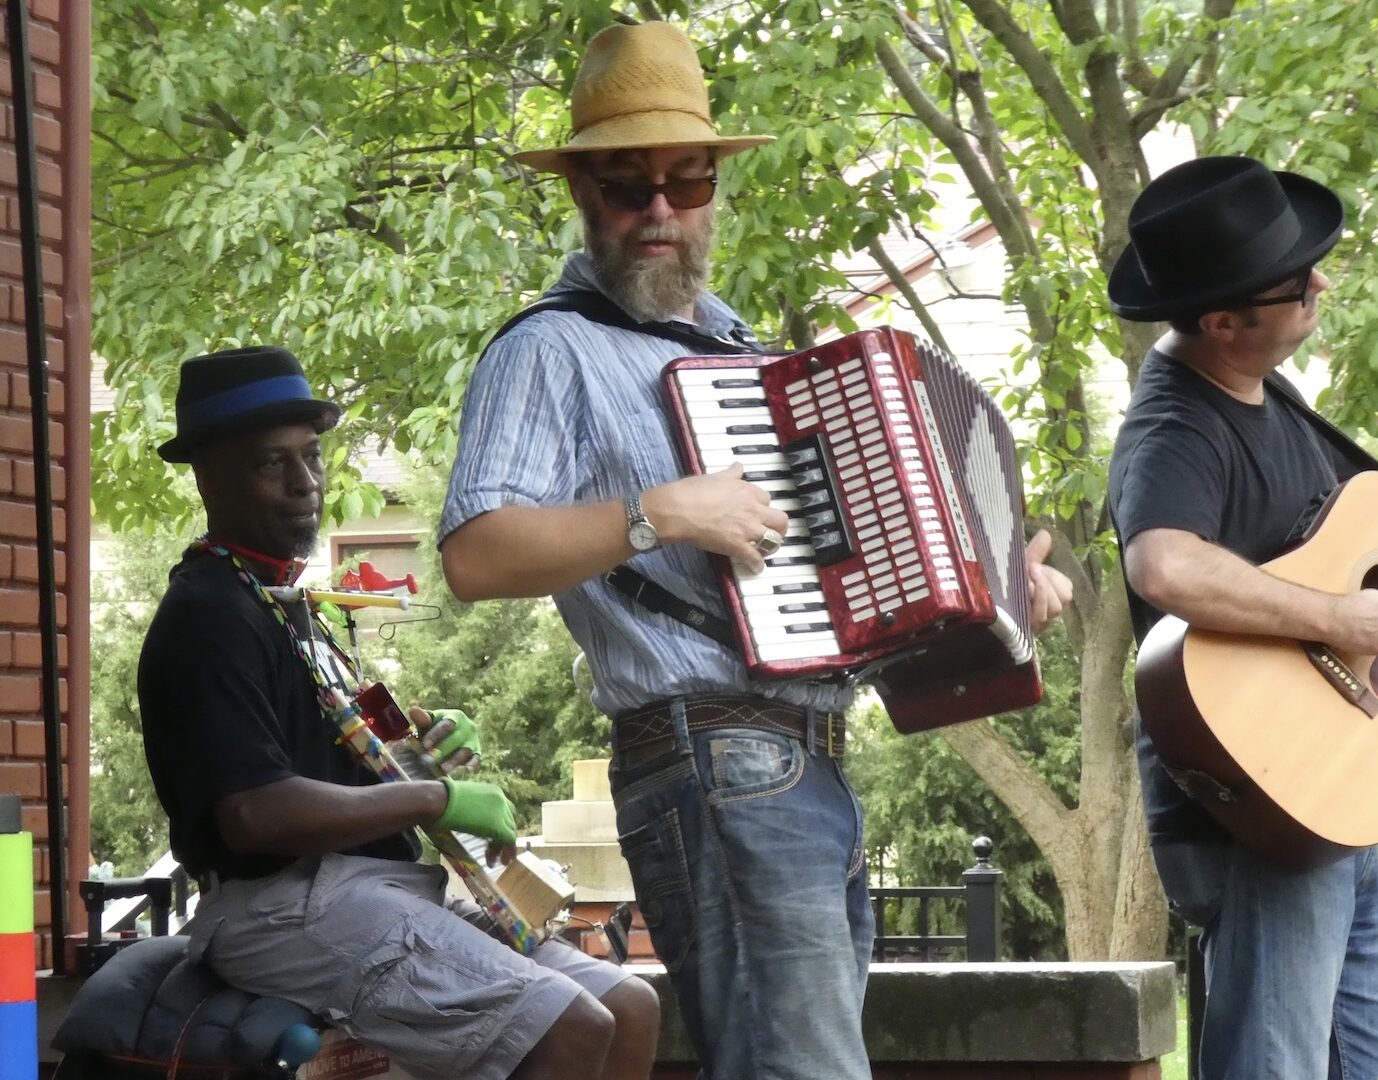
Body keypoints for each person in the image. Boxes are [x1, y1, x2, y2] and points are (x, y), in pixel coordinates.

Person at [438, 21, 1073, 1079]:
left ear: (711, 199)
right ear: (579, 194)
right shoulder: (548, 347)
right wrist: (658, 514)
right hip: (712, 755)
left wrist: (1001, 594)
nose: (657, 209)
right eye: (625, 184)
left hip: (807, 757)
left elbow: (860, 584)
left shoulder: (744, 356)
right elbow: (475, 555)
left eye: (683, 185)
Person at [1106, 155, 1378, 1080]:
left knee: (1372, 1062)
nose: (1322, 285)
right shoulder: (1175, 423)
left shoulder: (1271, 396)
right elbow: (1164, 562)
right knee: (1277, 1063)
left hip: (1329, 789)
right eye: (1298, 285)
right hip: (1255, 794)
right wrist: (1339, 616)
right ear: (1225, 321)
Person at [137, 346, 659, 1080]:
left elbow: (329, 763)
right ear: (208, 476)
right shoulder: (208, 612)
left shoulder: (285, 607)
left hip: (368, 887)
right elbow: (253, 814)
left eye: (312, 456)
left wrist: (415, 749)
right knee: (570, 1025)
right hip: (279, 906)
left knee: (630, 1004)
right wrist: (433, 797)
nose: (305, 483)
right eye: (271, 463)